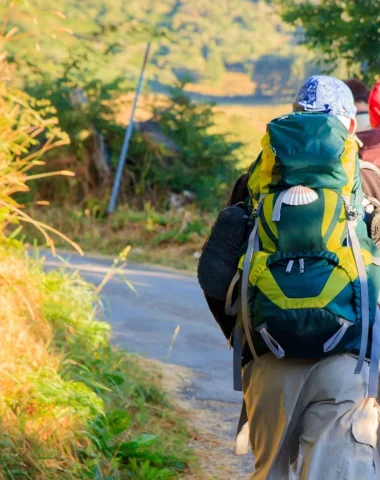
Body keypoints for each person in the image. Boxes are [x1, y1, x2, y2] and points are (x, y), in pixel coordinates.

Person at [202, 76, 380, 480]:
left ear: (293, 117)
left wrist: (244, 335)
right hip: (346, 360)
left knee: (271, 473)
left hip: (268, 353)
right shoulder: (368, 180)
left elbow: (213, 274)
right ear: (350, 126)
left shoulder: (255, 182)